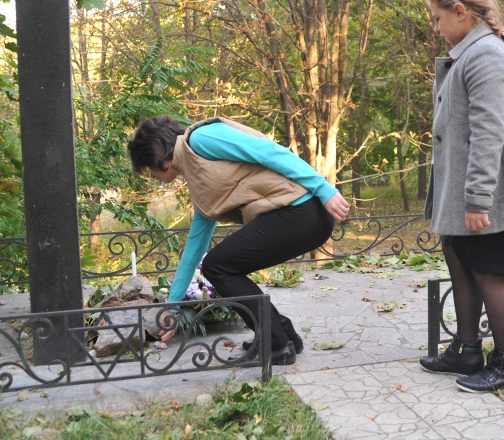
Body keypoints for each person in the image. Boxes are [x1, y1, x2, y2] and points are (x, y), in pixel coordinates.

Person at [127, 116, 351, 366]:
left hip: (304, 210)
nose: (152, 177)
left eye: (148, 170)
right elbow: (194, 247)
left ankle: (275, 343)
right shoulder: (197, 174)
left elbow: (269, 152)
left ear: (158, 156)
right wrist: (173, 308)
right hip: (298, 215)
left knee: (218, 266)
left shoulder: (201, 139)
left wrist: (324, 189)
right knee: (218, 265)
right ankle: (282, 334)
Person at [418, 0, 504, 392]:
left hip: (491, 194)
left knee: (489, 271)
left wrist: (477, 200)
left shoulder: (486, 55)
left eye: (438, 19)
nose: (436, 28)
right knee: (460, 260)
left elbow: (489, 134)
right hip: (469, 190)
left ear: (461, 11)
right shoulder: (471, 53)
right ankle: (467, 350)